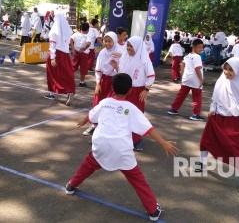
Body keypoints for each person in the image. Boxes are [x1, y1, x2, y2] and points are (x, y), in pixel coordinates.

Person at [67, 73, 178, 222]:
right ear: (130, 90)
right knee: (138, 180)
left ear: (112, 87)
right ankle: (152, 211)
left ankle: (71, 186)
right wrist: (163, 143)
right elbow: (148, 129)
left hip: (101, 144)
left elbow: (92, 115)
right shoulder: (131, 108)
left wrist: (83, 121)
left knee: (87, 165)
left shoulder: (105, 102)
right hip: (121, 150)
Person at [194, 57, 239, 193]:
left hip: (234, 122)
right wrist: (212, 109)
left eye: (231, 70)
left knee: (236, 150)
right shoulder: (222, 80)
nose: (226, 72)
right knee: (205, 141)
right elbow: (216, 99)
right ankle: (202, 162)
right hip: (217, 118)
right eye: (225, 68)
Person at [110, 36, 155, 151]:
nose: (129, 48)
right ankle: (122, 138)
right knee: (121, 114)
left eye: (131, 46)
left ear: (138, 47)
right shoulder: (125, 56)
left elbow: (151, 75)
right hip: (124, 90)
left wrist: (146, 89)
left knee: (136, 115)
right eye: (128, 45)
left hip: (137, 91)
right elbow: (122, 72)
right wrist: (116, 67)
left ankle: (137, 139)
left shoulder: (144, 60)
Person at [82, 31, 120, 137]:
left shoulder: (119, 53)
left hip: (115, 82)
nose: (107, 43)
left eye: (110, 41)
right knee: (98, 103)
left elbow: (123, 71)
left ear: (115, 41)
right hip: (103, 81)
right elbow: (98, 69)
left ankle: (107, 128)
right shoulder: (103, 53)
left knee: (111, 105)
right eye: (105, 41)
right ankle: (95, 125)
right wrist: (98, 83)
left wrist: (116, 67)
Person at [167, 39, 204, 121]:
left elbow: (182, 65)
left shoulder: (187, 56)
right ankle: (195, 114)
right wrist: (201, 80)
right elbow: (197, 69)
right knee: (197, 97)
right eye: (199, 47)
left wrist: (183, 75)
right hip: (195, 80)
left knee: (181, 95)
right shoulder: (197, 57)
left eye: (202, 47)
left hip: (186, 79)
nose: (201, 49)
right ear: (194, 47)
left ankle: (173, 109)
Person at [44, 13, 75, 105]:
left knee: (51, 74)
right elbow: (70, 43)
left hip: (56, 54)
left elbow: (52, 45)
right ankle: (69, 91)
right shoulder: (67, 31)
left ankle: (52, 93)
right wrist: (72, 50)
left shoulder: (54, 31)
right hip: (65, 55)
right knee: (65, 74)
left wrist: (53, 58)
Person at [71, 22, 92, 87]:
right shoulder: (88, 36)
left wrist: (73, 48)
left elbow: (70, 40)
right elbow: (88, 43)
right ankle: (81, 82)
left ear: (80, 28)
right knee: (83, 68)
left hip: (76, 52)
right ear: (88, 30)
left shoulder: (75, 34)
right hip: (84, 53)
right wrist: (84, 49)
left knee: (73, 66)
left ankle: (68, 79)